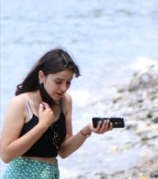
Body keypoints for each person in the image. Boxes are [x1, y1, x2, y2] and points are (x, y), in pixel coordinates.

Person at [0, 48, 114, 177]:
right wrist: (42, 125)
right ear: (42, 76)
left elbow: (63, 151)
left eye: (68, 82)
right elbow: (5, 155)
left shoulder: (65, 101)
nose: (64, 88)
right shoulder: (21, 103)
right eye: (58, 82)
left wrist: (88, 130)